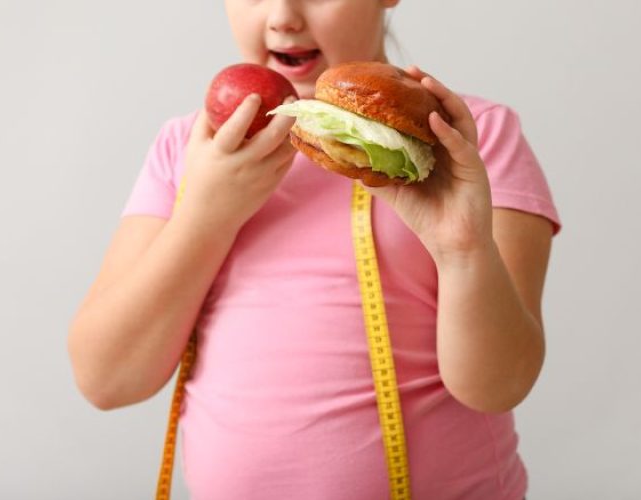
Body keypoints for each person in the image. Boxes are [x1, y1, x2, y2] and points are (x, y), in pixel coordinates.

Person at [68, 1, 561, 498]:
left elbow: (500, 386)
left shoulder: (462, 146)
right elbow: (107, 380)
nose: (282, 16)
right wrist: (204, 217)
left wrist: (462, 248)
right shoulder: (188, 151)